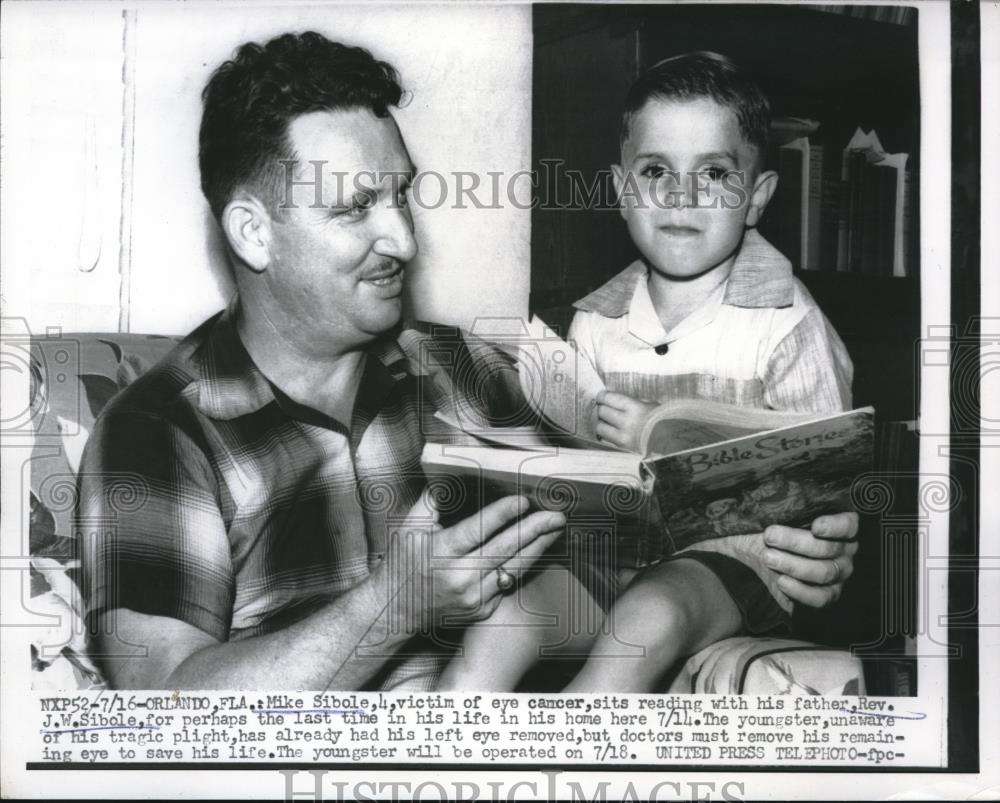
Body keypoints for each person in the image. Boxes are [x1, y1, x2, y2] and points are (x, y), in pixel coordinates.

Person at [77, 34, 858, 691]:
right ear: (253, 233)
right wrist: (394, 602)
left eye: (403, 197)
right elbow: (162, 708)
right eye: (355, 207)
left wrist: (799, 543)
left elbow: (632, 529)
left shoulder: (463, 367)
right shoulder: (160, 429)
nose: (406, 241)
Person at [440, 51, 858, 693]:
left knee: (643, 618)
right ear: (620, 191)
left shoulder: (786, 323)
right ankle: (442, 757)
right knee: (502, 623)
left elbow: (822, 475)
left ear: (758, 198)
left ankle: (576, 772)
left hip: (735, 569)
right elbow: (567, 460)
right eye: (656, 169)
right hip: (608, 554)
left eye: (714, 172)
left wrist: (666, 444)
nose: (681, 194)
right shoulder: (593, 321)